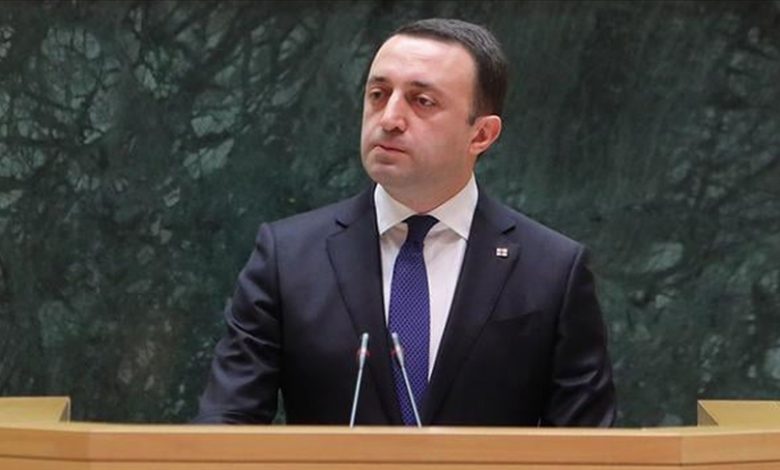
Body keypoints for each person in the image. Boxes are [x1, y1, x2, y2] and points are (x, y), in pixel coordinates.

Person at [194, 18, 616, 426]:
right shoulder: (288, 258)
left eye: (422, 101)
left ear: (481, 135)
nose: (389, 119)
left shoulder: (552, 270)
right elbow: (224, 426)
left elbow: (589, 449)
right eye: (378, 94)